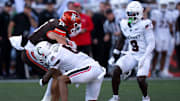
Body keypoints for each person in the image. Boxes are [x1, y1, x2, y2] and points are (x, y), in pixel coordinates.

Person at [9, 10, 81, 101]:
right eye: (75, 24)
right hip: (32, 52)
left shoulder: (57, 23)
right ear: (68, 23)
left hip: (34, 49)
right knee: (59, 75)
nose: (76, 27)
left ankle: (47, 98)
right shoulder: (59, 28)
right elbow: (62, 45)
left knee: (58, 71)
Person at [108, 1, 155, 101]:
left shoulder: (145, 24)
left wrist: (144, 57)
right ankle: (115, 97)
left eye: (134, 14)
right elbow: (121, 39)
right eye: (130, 14)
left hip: (144, 54)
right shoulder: (125, 23)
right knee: (116, 71)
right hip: (132, 54)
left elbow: (152, 44)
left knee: (140, 79)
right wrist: (114, 54)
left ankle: (146, 97)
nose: (132, 16)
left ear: (140, 13)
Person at [35, 41, 106, 101]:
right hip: (97, 69)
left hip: (90, 68)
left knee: (62, 79)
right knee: (91, 99)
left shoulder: (52, 55)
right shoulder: (58, 45)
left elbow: (51, 72)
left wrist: (43, 81)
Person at [8, 3, 38, 79]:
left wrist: (30, 16)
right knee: (18, 56)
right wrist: (9, 36)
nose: (27, 10)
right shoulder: (18, 16)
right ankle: (18, 73)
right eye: (26, 9)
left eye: (29, 9)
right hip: (17, 38)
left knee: (24, 56)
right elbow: (11, 25)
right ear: (24, 8)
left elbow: (34, 25)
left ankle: (23, 73)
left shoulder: (30, 17)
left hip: (25, 39)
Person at [151, 0, 173, 77]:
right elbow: (153, 24)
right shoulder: (155, 12)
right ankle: (153, 70)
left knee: (164, 52)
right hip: (158, 35)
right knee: (156, 53)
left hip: (166, 35)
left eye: (165, 5)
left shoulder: (169, 13)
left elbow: (170, 25)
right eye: (162, 5)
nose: (163, 7)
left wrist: (172, 34)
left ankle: (161, 70)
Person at [0, 1, 13, 77]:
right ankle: (1, 72)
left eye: (10, 7)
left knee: (8, 56)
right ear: (4, 7)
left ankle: (7, 72)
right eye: (7, 7)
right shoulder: (1, 15)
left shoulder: (9, 15)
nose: (9, 8)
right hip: (2, 38)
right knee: (2, 55)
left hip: (8, 38)